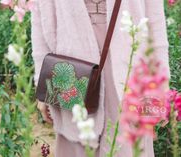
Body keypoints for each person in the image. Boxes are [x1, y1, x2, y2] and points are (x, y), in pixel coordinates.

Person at [31, 0, 170, 156]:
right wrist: (41, 81)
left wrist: (161, 82)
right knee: (77, 140)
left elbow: (155, 18)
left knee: (127, 141)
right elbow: (39, 15)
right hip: (71, 59)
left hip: (129, 54)